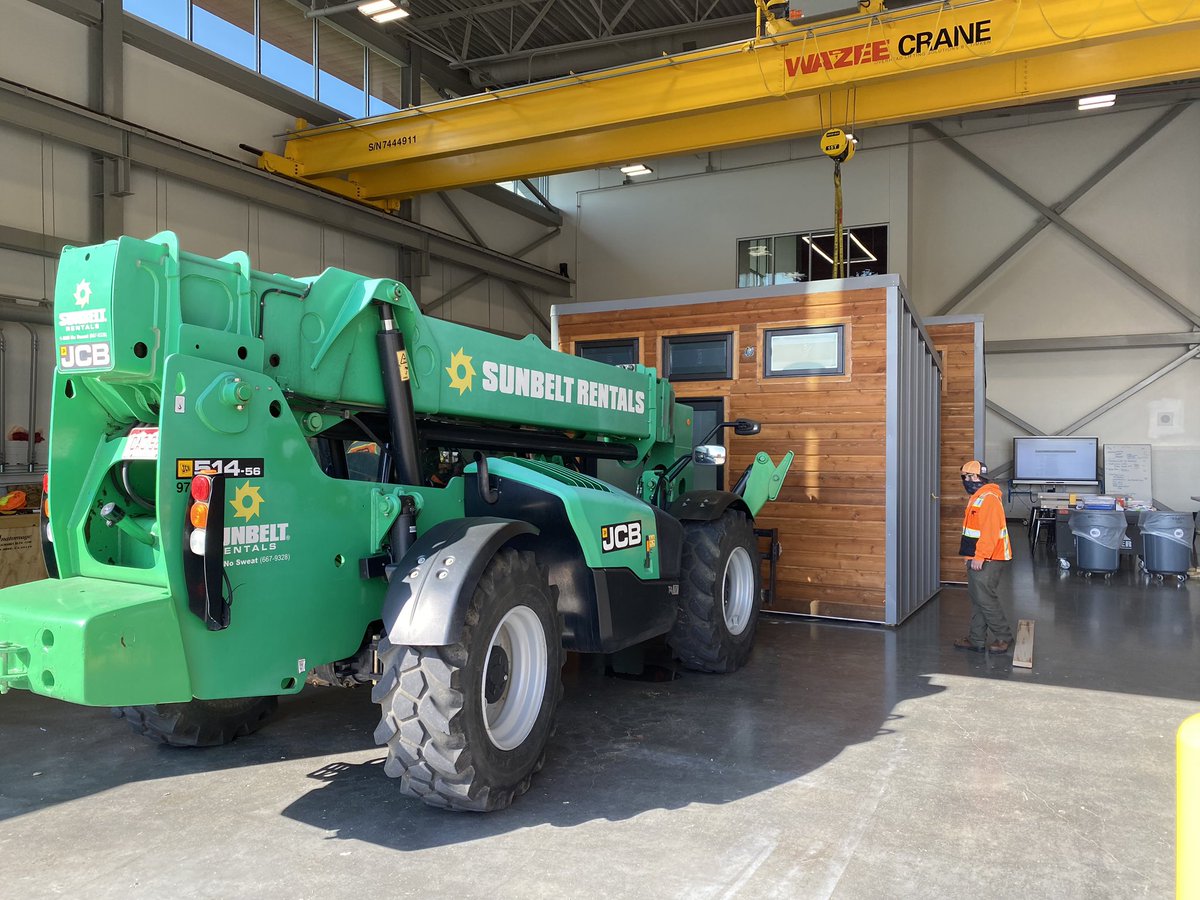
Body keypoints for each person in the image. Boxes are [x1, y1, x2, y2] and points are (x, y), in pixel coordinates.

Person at [953, 460, 1014, 653]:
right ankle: (976, 639)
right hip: (978, 557)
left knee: (986, 599)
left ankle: (1004, 638)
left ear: (981, 478)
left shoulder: (988, 498)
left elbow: (990, 531)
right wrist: (970, 556)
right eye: (965, 477)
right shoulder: (978, 496)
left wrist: (980, 556)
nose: (967, 481)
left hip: (989, 558)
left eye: (971, 477)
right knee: (978, 598)